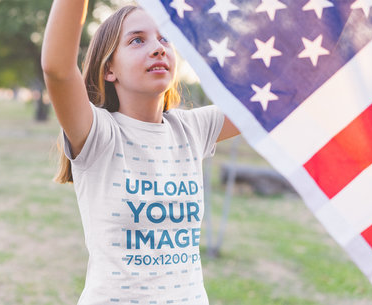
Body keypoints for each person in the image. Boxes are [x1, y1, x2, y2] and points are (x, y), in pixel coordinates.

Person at [41, 1, 239, 304]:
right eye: (137, 40)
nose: (158, 48)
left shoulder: (192, 129)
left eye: (164, 39)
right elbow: (57, 69)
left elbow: (269, 100)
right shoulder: (100, 135)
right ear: (109, 69)